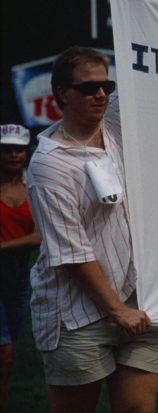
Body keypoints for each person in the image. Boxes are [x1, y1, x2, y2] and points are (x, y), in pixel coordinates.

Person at [26, 44, 158, 413]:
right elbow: (70, 253)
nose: (101, 94)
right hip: (77, 312)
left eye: (106, 85)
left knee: (138, 410)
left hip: (137, 300)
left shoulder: (115, 125)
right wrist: (116, 310)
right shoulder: (48, 165)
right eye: (89, 88)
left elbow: (148, 57)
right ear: (62, 95)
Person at [0, 124, 41, 411]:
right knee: (5, 353)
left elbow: (42, 235)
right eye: (6, 150)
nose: (13, 155)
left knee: (5, 360)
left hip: (18, 284)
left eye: (18, 149)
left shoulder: (34, 186)